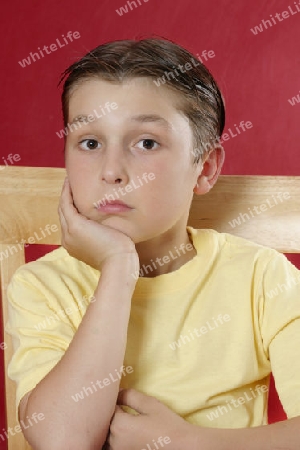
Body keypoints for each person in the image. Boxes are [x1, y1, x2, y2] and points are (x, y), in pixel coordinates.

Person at [6, 38, 300, 450]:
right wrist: (117, 268)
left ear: (206, 168)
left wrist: (189, 443)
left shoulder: (261, 277)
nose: (111, 171)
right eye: (90, 142)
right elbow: (64, 442)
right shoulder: (41, 285)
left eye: (146, 142)